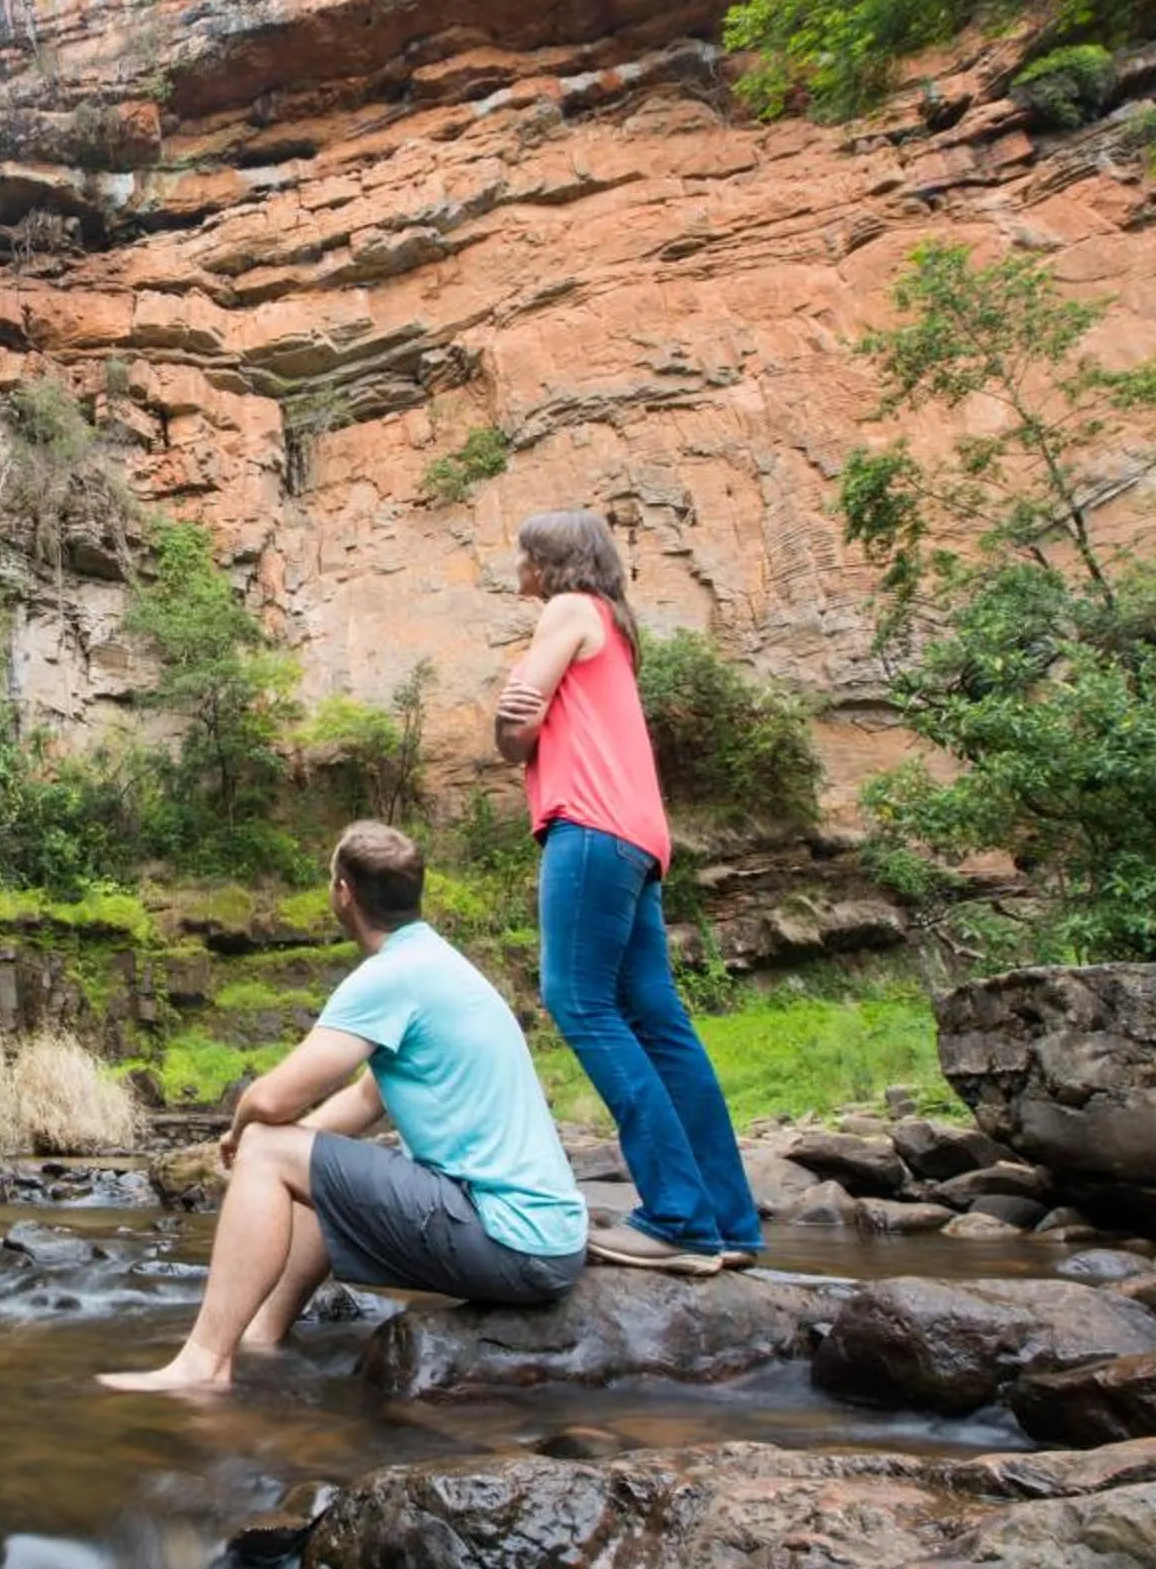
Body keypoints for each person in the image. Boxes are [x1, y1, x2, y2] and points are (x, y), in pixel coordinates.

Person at [96, 820, 586, 1393]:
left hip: (509, 1241)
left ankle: (202, 1364)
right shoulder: (440, 963)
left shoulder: (389, 976)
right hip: (545, 1241)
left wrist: (241, 1136)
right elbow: (366, 1099)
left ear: (343, 892)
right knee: (300, 1168)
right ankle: (259, 1337)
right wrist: (290, 1153)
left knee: (269, 1151)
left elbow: (271, 1096)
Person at [494, 509, 761, 1275]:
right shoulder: (616, 623)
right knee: (657, 1019)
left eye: (523, 551)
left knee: (579, 1001)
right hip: (641, 836)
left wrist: (508, 729)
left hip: (589, 826)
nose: (515, 563)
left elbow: (519, 718)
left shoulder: (567, 608)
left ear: (548, 561)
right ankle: (728, 1221)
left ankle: (677, 1218)